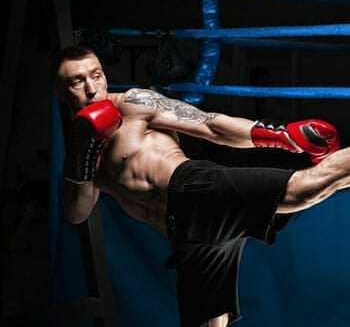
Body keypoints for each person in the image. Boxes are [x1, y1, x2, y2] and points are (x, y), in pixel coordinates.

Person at [53, 45, 346, 327]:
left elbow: (210, 125)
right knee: (208, 322)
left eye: (96, 75)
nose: (92, 88)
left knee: (302, 189)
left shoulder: (133, 104)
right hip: (185, 234)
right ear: (60, 91)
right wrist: (82, 155)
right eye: (77, 81)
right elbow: (77, 212)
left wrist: (280, 135)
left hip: (193, 189)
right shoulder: (83, 152)